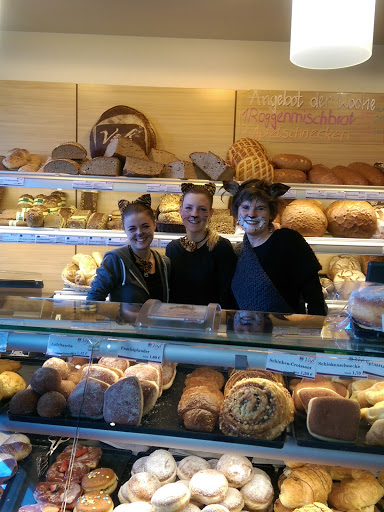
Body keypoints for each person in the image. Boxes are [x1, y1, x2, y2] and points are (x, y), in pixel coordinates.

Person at [224, 179, 326, 315]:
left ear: (271, 213)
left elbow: (314, 297)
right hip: (244, 331)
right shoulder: (239, 251)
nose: (252, 214)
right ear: (237, 213)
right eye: (245, 207)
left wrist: (314, 327)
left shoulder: (288, 241)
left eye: (260, 208)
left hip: (286, 331)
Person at [87, 194, 170, 304]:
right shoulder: (115, 261)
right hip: (124, 322)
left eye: (145, 226)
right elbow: (93, 300)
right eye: (132, 228)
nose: (139, 233)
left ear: (154, 225)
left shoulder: (164, 263)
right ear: (124, 229)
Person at [166, 182, 237, 308]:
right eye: (188, 208)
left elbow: (227, 297)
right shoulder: (172, 249)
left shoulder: (221, 247)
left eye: (202, 209)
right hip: (178, 321)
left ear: (211, 213)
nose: (194, 214)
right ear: (180, 210)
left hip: (210, 323)